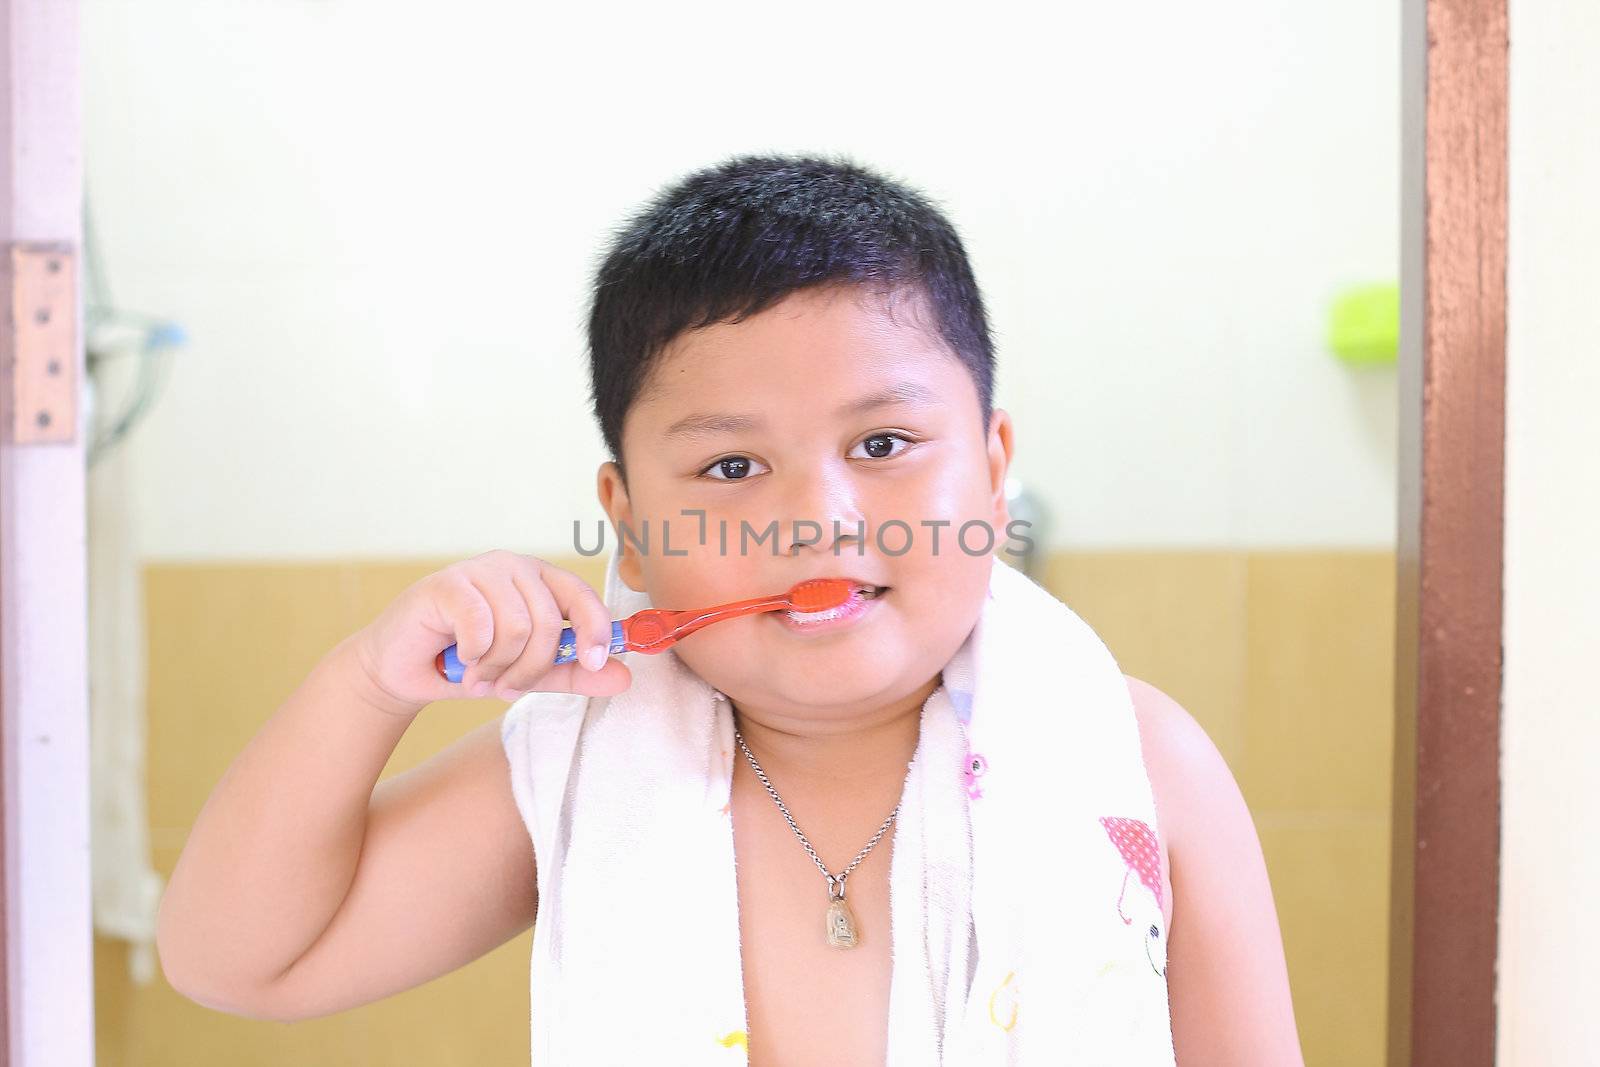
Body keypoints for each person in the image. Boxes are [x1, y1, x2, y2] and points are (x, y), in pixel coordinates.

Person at [156, 155, 1304, 1065]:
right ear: (632, 527)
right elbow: (242, 961)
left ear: (995, 472)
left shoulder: (1139, 760)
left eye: (885, 443)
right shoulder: (572, 768)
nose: (819, 516)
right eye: (729, 468)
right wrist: (368, 681)